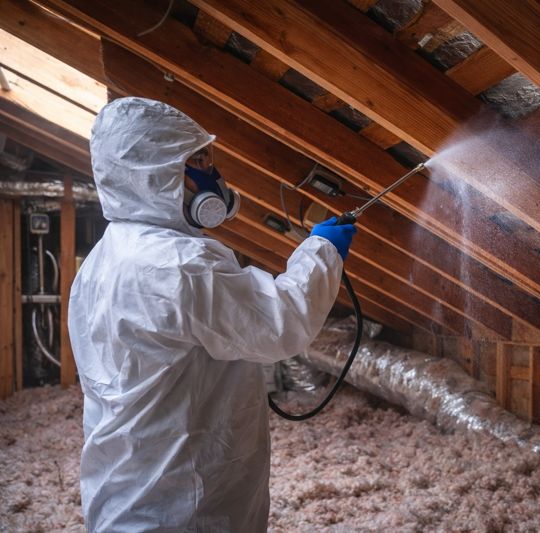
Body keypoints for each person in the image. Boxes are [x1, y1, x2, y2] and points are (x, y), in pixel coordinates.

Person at [68, 96, 356, 532]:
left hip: (123, 491)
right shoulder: (179, 264)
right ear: (158, 175)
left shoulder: (104, 258)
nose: (212, 175)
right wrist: (323, 251)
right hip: (186, 503)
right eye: (197, 161)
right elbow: (281, 324)